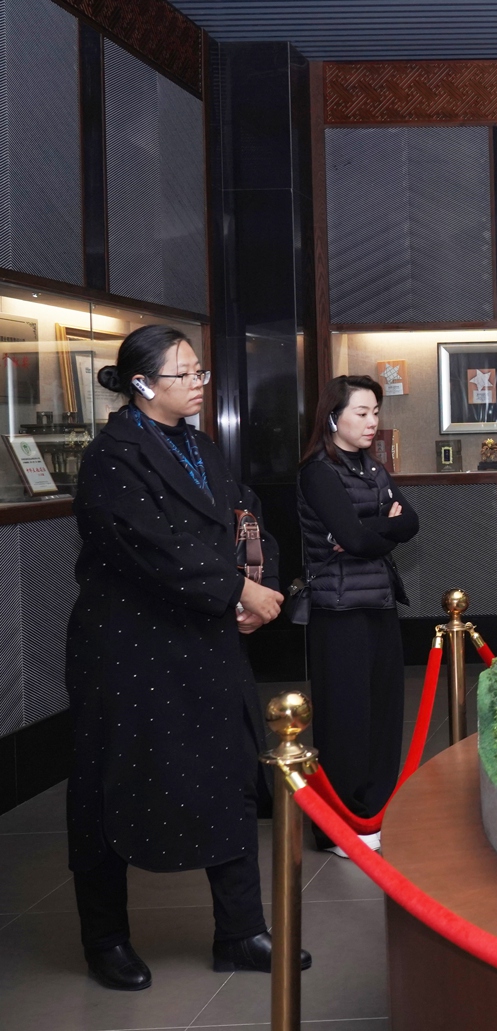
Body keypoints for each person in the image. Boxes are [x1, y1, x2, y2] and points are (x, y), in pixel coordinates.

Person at [67, 325, 305, 991]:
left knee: (229, 776)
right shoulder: (111, 456)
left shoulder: (200, 445)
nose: (200, 382)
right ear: (143, 384)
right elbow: (147, 545)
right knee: (112, 788)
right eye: (185, 373)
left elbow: (247, 514)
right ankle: (105, 938)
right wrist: (237, 591)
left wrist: (257, 578)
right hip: (130, 650)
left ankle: (240, 930)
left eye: (200, 370)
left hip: (206, 639)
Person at [296, 375, 419, 857]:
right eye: (362, 413)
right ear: (333, 418)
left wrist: (368, 530)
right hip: (338, 609)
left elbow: (410, 523)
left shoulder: (372, 467)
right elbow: (359, 537)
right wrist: (378, 527)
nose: (372, 422)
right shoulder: (318, 473)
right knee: (345, 720)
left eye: (375, 412)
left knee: (383, 715)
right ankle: (339, 827)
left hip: (379, 603)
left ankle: (374, 815)